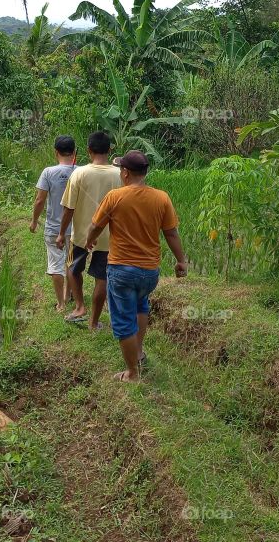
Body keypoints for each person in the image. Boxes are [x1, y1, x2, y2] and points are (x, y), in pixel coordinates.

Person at [86, 149, 187, 381]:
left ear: (124, 173)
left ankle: (132, 372)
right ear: (145, 172)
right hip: (149, 272)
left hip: (122, 269)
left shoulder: (115, 197)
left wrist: (89, 240)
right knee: (141, 306)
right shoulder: (162, 197)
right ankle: (138, 352)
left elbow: (95, 226)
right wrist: (181, 261)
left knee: (122, 321)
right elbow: (171, 233)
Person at [56, 131, 122, 329]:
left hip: (82, 235)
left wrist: (61, 233)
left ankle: (79, 307)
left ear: (88, 150)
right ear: (110, 150)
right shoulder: (120, 174)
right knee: (102, 277)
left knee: (74, 268)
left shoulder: (79, 173)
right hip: (109, 237)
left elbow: (69, 208)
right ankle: (94, 321)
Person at [29, 135, 77, 312]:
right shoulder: (80, 171)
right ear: (74, 152)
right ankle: (68, 294)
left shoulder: (48, 172)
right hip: (76, 228)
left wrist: (34, 221)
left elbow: (40, 200)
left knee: (56, 263)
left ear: (56, 152)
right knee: (71, 262)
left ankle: (61, 304)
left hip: (53, 227)